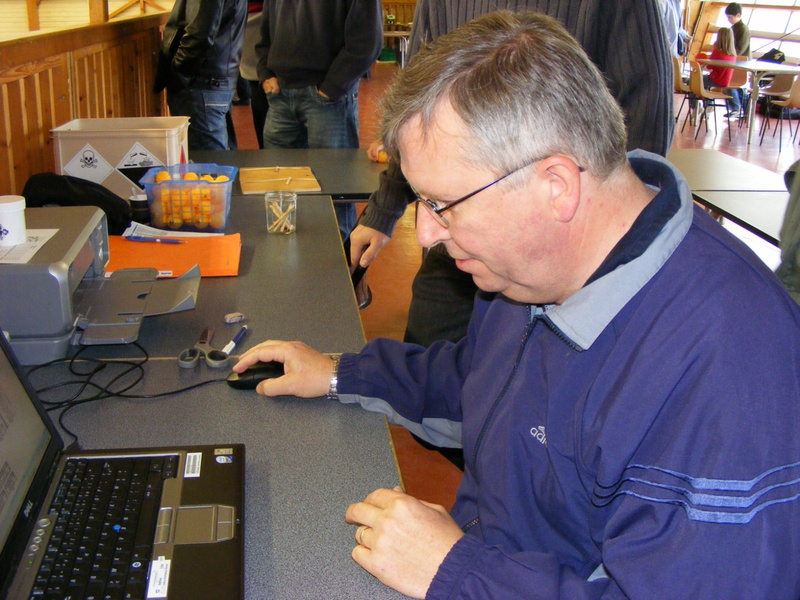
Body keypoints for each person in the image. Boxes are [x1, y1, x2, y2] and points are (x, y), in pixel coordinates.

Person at [234, 11, 800, 599]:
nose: (424, 234)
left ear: (555, 186)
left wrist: (457, 571)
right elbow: (479, 381)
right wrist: (339, 372)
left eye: (441, 203)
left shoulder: (729, 372)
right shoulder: (527, 273)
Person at [351, 0, 675, 349]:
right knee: (441, 349)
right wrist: (386, 210)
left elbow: (646, 110)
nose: (422, 236)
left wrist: (594, 270)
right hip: (469, 236)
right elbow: (417, 121)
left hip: (556, 246)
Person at [255, 0, 382, 239]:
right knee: (280, 194)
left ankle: (340, 270)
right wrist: (265, 74)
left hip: (327, 99)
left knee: (335, 192)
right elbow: (265, 35)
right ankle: (291, 268)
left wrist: (331, 88)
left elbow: (367, 42)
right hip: (280, 96)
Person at [154, 0, 247, 151]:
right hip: (214, 79)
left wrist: (179, 72)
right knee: (218, 163)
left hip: (201, 82)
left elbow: (200, 34)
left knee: (208, 167)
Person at [725, 2, 751, 117]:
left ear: (738, 15)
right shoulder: (733, 28)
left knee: (733, 84)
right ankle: (737, 109)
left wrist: (730, 56)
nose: (729, 20)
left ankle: (737, 109)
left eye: (730, 17)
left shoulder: (743, 28)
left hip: (741, 61)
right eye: (728, 17)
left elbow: (740, 48)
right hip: (734, 60)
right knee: (732, 85)